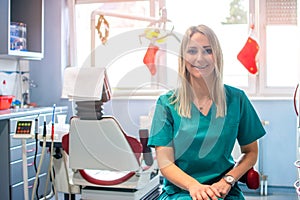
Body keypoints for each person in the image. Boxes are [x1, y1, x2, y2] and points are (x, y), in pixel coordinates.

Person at [148, 25, 266, 200]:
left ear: (216, 56)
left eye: (208, 51)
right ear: (183, 58)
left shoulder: (237, 99)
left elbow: (251, 152)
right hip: (182, 191)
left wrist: (228, 180)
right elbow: (165, 162)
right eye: (192, 51)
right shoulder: (167, 104)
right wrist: (194, 186)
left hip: (224, 190)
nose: (200, 58)